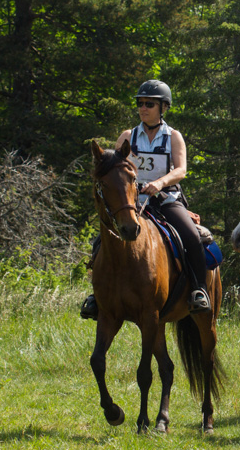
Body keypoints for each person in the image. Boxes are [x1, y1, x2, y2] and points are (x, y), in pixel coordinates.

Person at [80, 79, 211, 319]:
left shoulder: (173, 137)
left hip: (165, 199)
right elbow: (113, 168)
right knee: (102, 239)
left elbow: (181, 170)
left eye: (149, 104)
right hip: (132, 201)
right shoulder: (127, 136)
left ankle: (198, 290)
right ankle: (97, 296)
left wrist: (159, 183)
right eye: (140, 103)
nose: (143, 108)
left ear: (163, 107)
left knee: (191, 236)